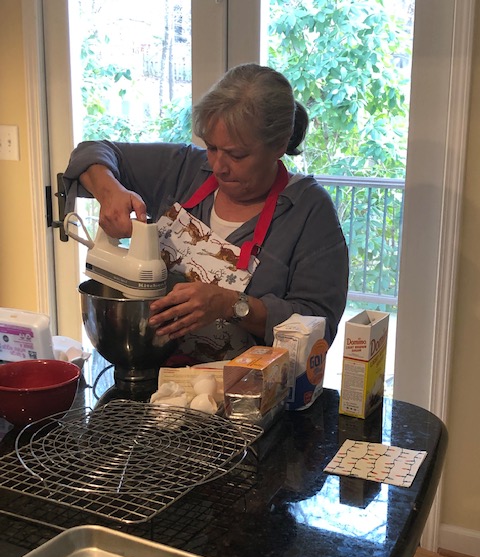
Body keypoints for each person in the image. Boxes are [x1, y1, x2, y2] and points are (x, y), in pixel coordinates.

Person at [63, 63, 349, 364]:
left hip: (249, 390)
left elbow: (319, 327)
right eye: (212, 148)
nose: (219, 167)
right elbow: (90, 152)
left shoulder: (308, 211)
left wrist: (232, 305)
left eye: (237, 155)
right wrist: (111, 192)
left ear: (279, 144)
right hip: (158, 378)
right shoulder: (185, 168)